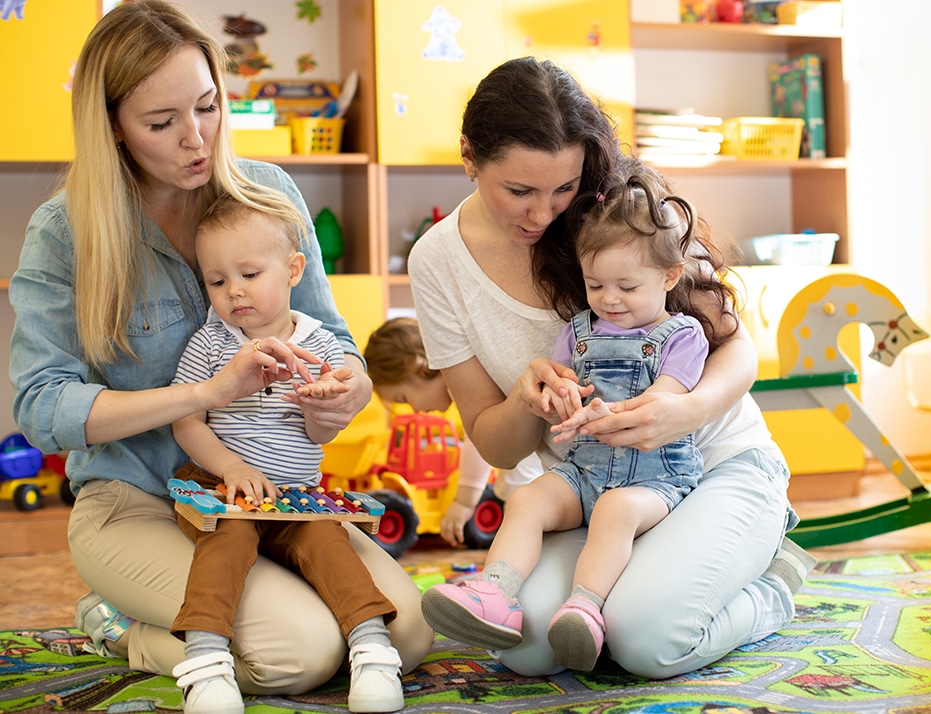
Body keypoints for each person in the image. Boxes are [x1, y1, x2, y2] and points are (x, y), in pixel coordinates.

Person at [7, 1, 432, 710]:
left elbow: (335, 342)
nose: (196, 138)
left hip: (273, 498)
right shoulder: (65, 232)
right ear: (112, 124)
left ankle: (222, 617)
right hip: (137, 501)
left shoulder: (270, 196)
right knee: (300, 653)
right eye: (161, 122)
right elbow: (42, 408)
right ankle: (120, 628)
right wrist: (205, 395)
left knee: (406, 634)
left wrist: (344, 392)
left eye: (207, 106)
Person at [407, 56, 817, 679]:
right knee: (526, 646)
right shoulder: (436, 261)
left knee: (644, 642)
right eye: (519, 190)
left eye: (562, 189)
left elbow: (737, 347)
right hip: (590, 486)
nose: (543, 214)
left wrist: (688, 409)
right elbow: (492, 441)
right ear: (469, 156)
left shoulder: (624, 213)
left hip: (712, 465)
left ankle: (771, 585)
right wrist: (524, 401)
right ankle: (643, 582)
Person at [421, 166, 713, 672]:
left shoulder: (682, 335)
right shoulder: (578, 331)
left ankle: (586, 606)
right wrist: (558, 398)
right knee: (529, 497)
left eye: (626, 286)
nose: (609, 299)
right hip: (583, 471)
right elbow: (567, 385)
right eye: (595, 284)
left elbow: (663, 403)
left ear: (668, 277)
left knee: (616, 512)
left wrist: (609, 412)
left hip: (654, 477)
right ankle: (495, 593)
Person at [168, 196, 403, 713]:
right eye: (216, 281)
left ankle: (372, 650)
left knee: (331, 548)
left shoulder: (321, 343)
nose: (234, 292)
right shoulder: (210, 343)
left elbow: (321, 437)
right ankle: (206, 665)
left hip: (296, 497)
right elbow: (186, 419)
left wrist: (322, 410)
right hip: (222, 490)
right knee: (224, 546)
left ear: (294, 269)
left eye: (249, 273)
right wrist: (231, 466)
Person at [364, 316, 544, 545]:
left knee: (518, 495)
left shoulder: (459, 377)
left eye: (405, 398)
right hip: (524, 430)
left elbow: (478, 440)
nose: (417, 409)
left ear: (415, 365)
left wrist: (464, 502)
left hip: (529, 429)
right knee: (513, 492)